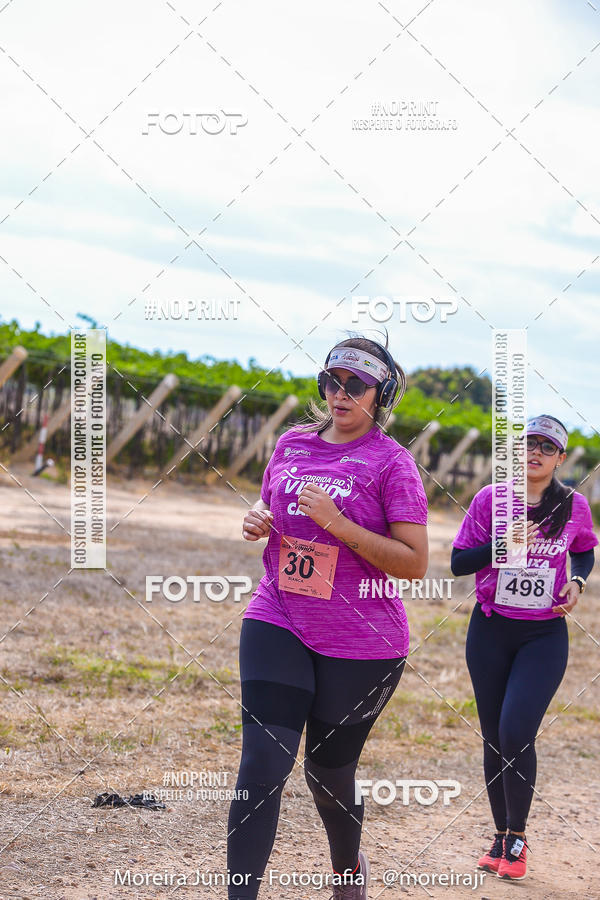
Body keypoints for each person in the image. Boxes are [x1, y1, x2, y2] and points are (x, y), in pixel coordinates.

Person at [226, 335, 429, 900]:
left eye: (355, 385)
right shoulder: (291, 442)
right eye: (331, 382)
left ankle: (347, 871)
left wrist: (338, 524)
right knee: (263, 764)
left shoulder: (393, 463)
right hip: (279, 614)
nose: (340, 394)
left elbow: (414, 564)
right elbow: (271, 502)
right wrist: (259, 518)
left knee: (327, 773)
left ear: (381, 394)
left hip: (362, 641)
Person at [451, 415, 597, 881]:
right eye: (528, 443)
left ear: (560, 457)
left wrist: (577, 581)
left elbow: (585, 549)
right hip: (490, 630)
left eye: (546, 447)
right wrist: (504, 545)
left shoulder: (572, 506)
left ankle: (517, 838)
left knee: (516, 731)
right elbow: (458, 562)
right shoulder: (490, 500)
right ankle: (500, 838)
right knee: (494, 737)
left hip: (543, 636)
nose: (535, 452)